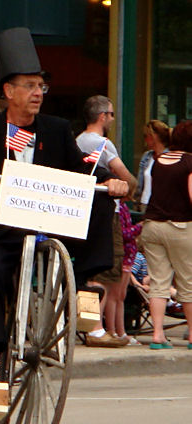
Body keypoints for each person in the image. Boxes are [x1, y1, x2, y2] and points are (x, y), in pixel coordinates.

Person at [0, 27, 128, 390]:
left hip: (47, 227)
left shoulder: (56, 130)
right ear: (9, 92)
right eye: (30, 86)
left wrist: (111, 180)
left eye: (42, 86)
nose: (38, 93)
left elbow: (81, 171)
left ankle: (87, 283)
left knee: (100, 193)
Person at [76, 95, 136, 347]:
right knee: (105, 271)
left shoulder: (77, 141)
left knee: (90, 270)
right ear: (102, 117)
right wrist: (132, 189)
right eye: (110, 114)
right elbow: (124, 176)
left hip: (82, 211)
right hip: (105, 212)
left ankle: (91, 326)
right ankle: (96, 329)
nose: (112, 118)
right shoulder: (102, 144)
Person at [141, 120, 192, 349]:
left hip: (152, 225)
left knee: (158, 282)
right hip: (180, 226)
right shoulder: (190, 162)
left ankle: (158, 334)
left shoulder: (159, 160)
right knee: (188, 282)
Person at [104, 197, 142, 345]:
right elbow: (122, 234)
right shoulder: (116, 209)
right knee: (113, 296)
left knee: (121, 296)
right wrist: (139, 227)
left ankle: (122, 331)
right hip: (121, 256)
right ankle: (112, 330)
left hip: (128, 258)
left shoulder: (124, 207)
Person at [135, 120, 170, 212]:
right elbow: (140, 182)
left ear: (153, 137)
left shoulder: (170, 157)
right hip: (145, 203)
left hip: (163, 206)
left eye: (145, 136)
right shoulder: (147, 156)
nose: (145, 140)